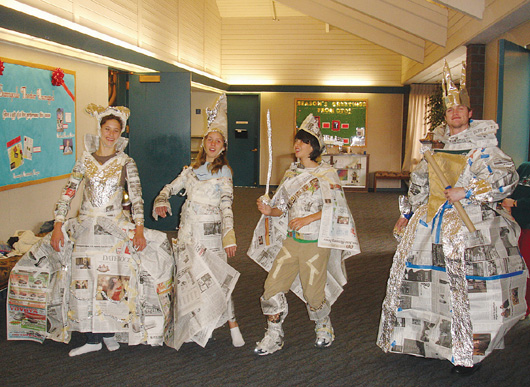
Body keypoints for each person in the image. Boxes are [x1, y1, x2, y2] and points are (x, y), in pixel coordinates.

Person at [377, 61, 527, 375]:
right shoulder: (437, 148)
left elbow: (506, 179)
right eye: (450, 110)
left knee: (467, 289)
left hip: (471, 227)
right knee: (423, 284)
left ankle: (466, 352)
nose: (455, 113)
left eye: (460, 108)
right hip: (430, 226)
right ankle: (421, 343)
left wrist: (469, 192)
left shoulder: (485, 150)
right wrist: (407, 214)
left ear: (470, 114)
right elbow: (420, 184)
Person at [7, 104, 174, 356]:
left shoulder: (125, 162)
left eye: (115, 131)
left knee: (112, 280)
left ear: (121, 134)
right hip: (85, 228)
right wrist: (58, 226)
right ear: (100, 129)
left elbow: (137, 198)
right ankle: (92, 337)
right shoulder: (84, 160)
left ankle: (108, 332)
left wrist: (139, 229)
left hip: (113, 227)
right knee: (84, 280)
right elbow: (68, 194)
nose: (110, 134)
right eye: (107, 129)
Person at [248, 113, 360, 356]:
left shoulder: (327, 174)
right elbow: (282, 208)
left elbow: (337, 208)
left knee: (313, 292)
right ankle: (274, 334)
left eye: (304, 141)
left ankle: (323, 325)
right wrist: (270, 210)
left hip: (315, 242)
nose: (297, 145)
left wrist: (309, 218)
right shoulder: (290, 175)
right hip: (291, 241)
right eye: (296, 141)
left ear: (314, 147)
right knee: (271, 286)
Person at [153, 94, 244, 349]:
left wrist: (229, 235)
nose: (213, 144)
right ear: (204, 143)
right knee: (191, 281)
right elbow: (168, 189)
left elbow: (227, 205)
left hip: (212, 235)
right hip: (188, 235)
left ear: (224, 147)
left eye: (218, 141)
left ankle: (233, 324)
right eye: (210, 140)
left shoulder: (224, 172)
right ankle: (197, 327)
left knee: (217, 280)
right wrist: (161, 200)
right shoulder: (190, 172)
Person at [502, 161, 530, 318]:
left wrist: (516, 203)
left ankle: (526, 308)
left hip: (528, 228)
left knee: (527, 267)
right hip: (514, 225)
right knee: (514, 267)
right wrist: (508, 207)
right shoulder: (525, 167)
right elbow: (510, 188)